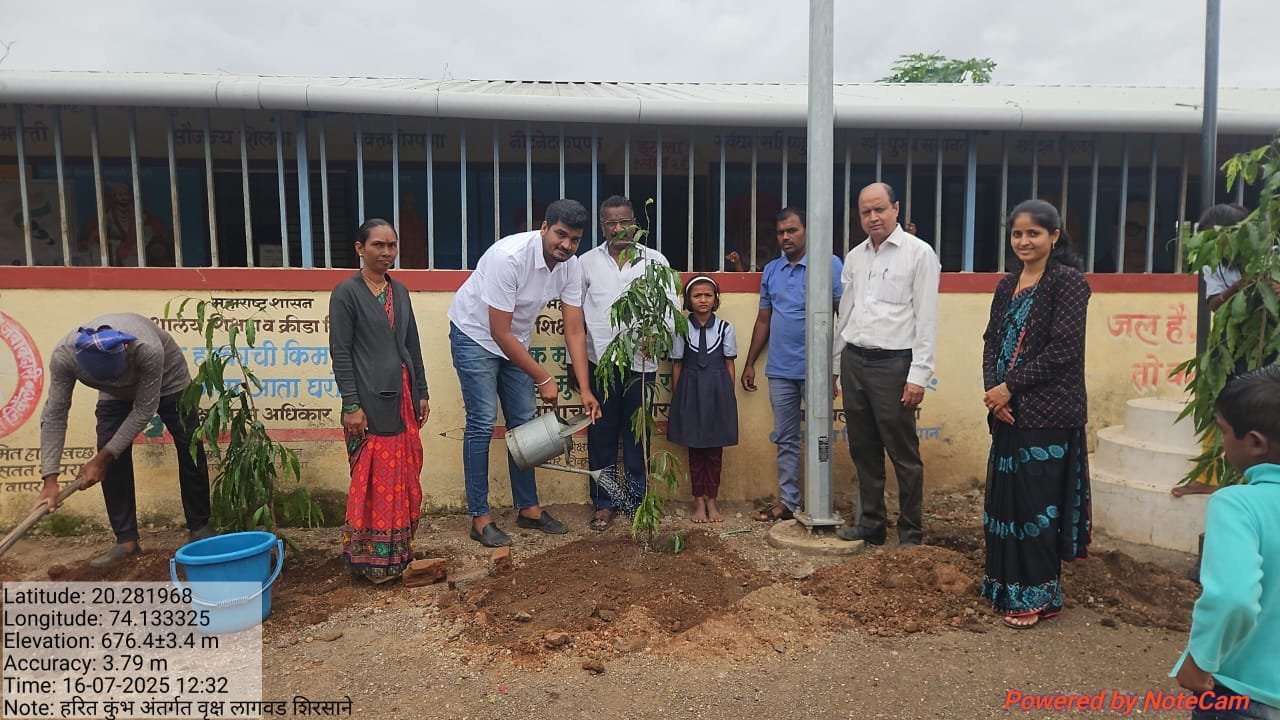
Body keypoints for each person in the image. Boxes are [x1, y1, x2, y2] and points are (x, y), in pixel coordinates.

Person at [447, 199, 602, 547]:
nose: (566, 245)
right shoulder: (509, 257)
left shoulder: (570, 266)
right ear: (544, 227)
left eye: (575, 239)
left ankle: (528, 509)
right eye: (561, 235)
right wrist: (543, 377)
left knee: (525, 422)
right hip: (475, 335)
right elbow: (497, 330)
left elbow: (574, 328)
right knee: (483, 422)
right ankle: (480, 516)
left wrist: (586, 388)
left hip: (513, 339)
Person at [976, 199, 1092, 629]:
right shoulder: (1007, 285)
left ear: (1054, 237)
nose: (1024, 241)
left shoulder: (1069, 283)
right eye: (1017, 234)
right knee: (1004, 506)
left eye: (1033, 233)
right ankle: (1005, 587)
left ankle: (1041, 594)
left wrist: (1010, 387)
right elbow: (992, 341)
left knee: (1035, 509)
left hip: (1048, 413)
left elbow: (1063, 350)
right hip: (1007, 412)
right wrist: (994, 392)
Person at [36, 314, 212, 568]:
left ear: (126, 351)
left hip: (167, 381)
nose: (117, 381)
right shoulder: (64, 356)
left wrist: (100, 459)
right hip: (113, 397)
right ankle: (126, 540)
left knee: (189, 445)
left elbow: (143, 410)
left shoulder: (147, 349)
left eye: (117, 374)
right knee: (110, 455)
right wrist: (49, 479)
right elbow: (55, 413)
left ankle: (200, 526)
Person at [833, 183, 939, 546]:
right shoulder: (854, 257)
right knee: (862, 448)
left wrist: (919, 376)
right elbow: (844, 314)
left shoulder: (919, 254)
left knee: (903, 453)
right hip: (854, 361)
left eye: (879, 209)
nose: (873, 217)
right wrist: (836, 365)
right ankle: (872, 523)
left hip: (894, 365)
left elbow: (925, 318)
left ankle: (911, 531)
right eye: (865, 212)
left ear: (896, 208)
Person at [1171, 366, 1280, 718]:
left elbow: (1232, 597)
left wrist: (1200, 660)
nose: (1221, 442)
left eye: (1223, 431)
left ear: (1255, 442)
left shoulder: (1237, 504)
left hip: (1242, 695)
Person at [329, 219, 430, 584]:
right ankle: (370, 559)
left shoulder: (399, 291)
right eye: (378, 245)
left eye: (392, 245)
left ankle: (399, 554)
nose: (387, 252)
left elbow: (411, 344)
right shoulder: (346, 293)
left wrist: (421, 391)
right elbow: (340, 352)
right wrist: (351, 405)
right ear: (360, 248)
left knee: (403, 476)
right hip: (369, 401)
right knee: (374, 480)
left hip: (403, 399)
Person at [742, 207, 843, 522]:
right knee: (786, 439)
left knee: (820, 436)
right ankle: (789, 503)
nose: (785, 237)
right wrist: (750, 363)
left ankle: (819, 502)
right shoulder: (772, 270)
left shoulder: (829, 265)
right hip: (781, 371)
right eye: (780, 232)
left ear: (807, 231)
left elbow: (843, 317)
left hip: (818, 372)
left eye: (792, 231)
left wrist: (835, 370)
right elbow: (763, 321)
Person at [580, 196, 672, 531]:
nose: (618, 229)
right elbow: (575, 317)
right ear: (601, 225)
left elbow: (670, 311)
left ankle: (635, 502)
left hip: (640, 366)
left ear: (636, 222)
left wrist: (655, 335)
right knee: (601, 435)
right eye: (610, 223)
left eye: (624, 222)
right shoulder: (586, 263)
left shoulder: (655, 262)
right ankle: (605, 503)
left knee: (636, 436)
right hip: (600, 363)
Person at [668, 276, 738, 523]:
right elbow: (677, 365)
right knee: (695, 450)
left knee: (714, 451)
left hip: (718, 393)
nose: (703, 300)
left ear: (715, 299)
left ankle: (713, 501)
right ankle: (698, 501)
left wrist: (728, 397)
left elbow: (729, 364)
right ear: (688, 300)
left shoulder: (726, 329)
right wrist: (679, 399)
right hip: (691, 391)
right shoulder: (681, 329)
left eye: (708, 295)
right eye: (697, 295)